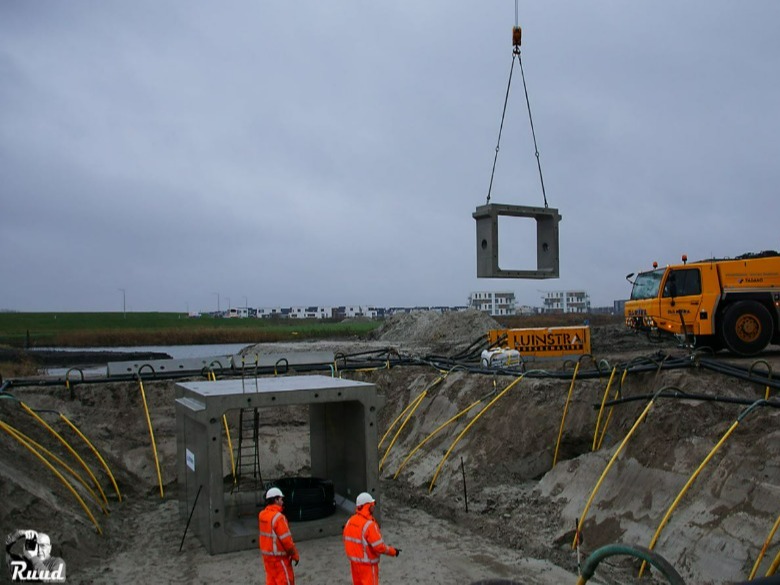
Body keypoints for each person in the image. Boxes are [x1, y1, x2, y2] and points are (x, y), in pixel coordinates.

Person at [343, 492, 400, 585]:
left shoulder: (350, 521)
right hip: (368, 566)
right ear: (367, 506)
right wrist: (394, 551)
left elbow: (347, 540)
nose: (374, 507)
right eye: (372, 504)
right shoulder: (370, 525)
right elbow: (379, 547)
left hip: (354, 565)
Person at [258, 487, 299, 585]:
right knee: (285, 581)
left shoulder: (262, 515)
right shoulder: (279, 518)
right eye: (281, 499)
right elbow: (287, 541)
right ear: (276, 500)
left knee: (271, 581)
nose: (282, 501)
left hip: (267, 558)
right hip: (279, 559)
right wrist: (294, 555)